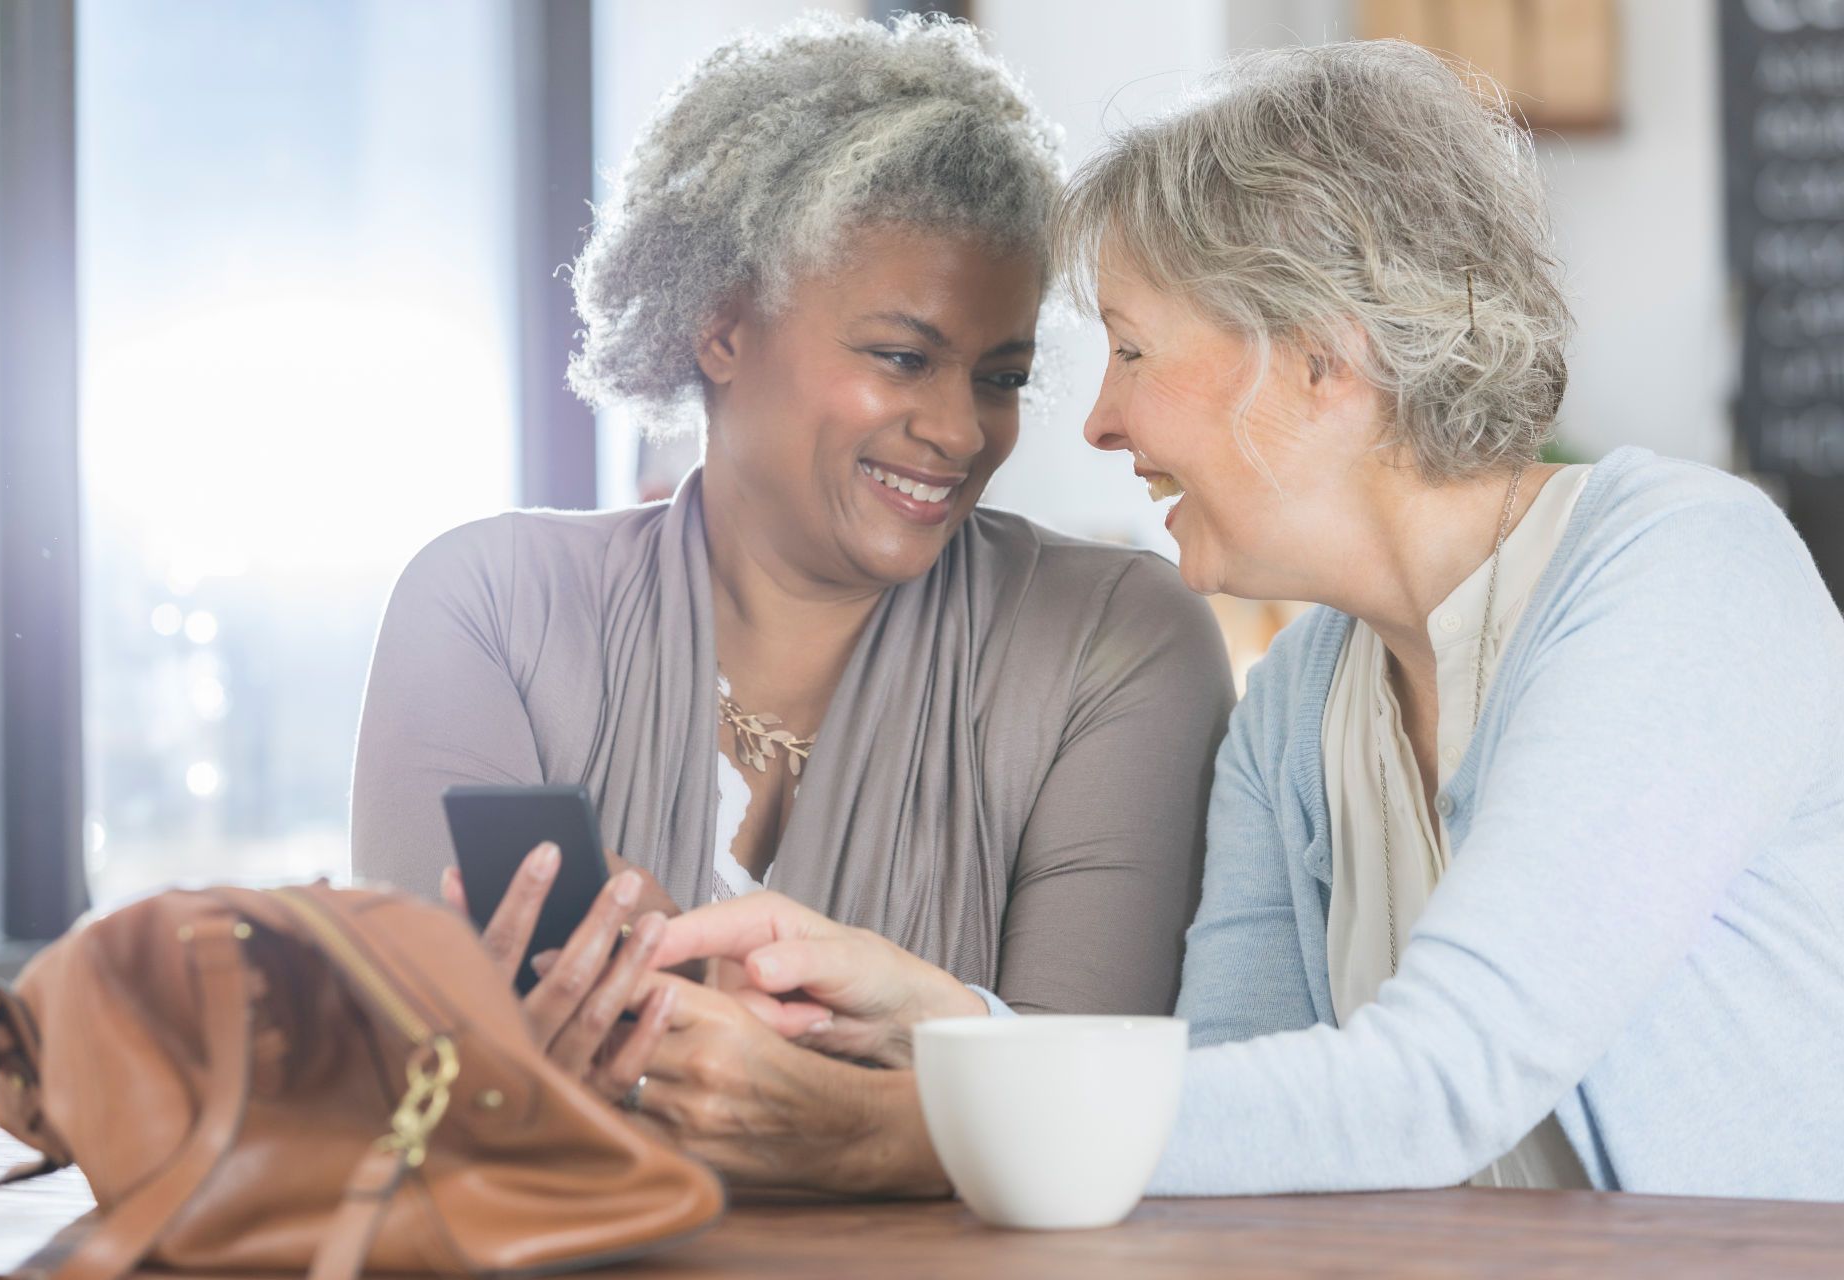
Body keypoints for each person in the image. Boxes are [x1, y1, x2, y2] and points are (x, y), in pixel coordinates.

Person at [653, 39, 1844, 1201]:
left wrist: (907, 1131)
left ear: (1323, 355)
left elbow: (1447, 1077)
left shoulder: (1683, 568)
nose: (1099, 422)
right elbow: (1233, 1108)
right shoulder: (1295, 705)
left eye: (1131, 349)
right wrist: (944, 1023)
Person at [350, 13, 1233, 1192]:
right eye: (903, 356)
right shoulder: (491, 608)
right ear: (722, 325)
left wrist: (689, 1038)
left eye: (1001, 375)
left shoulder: (1117, 643)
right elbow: (429, 1077)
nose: (963, 431)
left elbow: (1096, 1124)